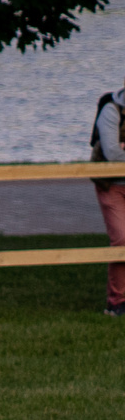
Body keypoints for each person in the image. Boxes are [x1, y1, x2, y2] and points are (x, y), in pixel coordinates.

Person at [97, 73, 125, 318]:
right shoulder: (111, 111)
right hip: (113, 184)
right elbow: (113, 154)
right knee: (122, 239)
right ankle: (116, 302)